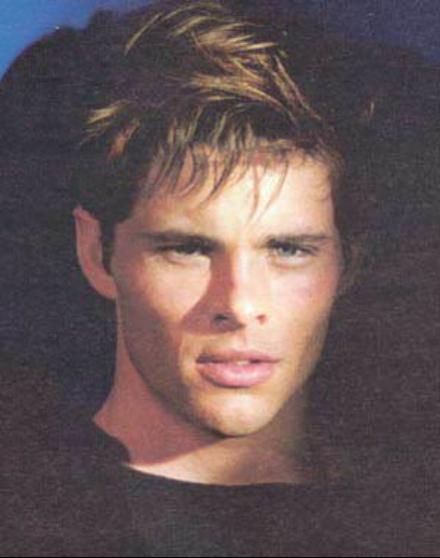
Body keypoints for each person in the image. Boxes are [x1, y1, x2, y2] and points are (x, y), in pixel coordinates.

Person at [2, 1, 438, 556]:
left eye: (288, 249)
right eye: (188, 249)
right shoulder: (20, 519)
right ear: (97, 252)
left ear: (347, 263)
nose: (239, 303)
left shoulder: (412, 525)